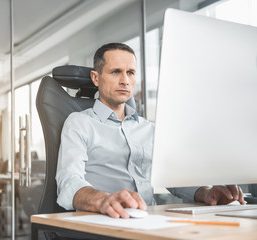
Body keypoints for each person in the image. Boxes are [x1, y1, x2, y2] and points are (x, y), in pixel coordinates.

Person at [56, 42, 245, 219]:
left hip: (148, 219)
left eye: (130, 72)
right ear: (96, 78)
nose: (125, 81)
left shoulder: (149, 129)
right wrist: (104, 200)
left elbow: (173, 177)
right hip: (103, 219)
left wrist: (207, 192)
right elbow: (69, 181)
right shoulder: (79, 123)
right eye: (116, 72)